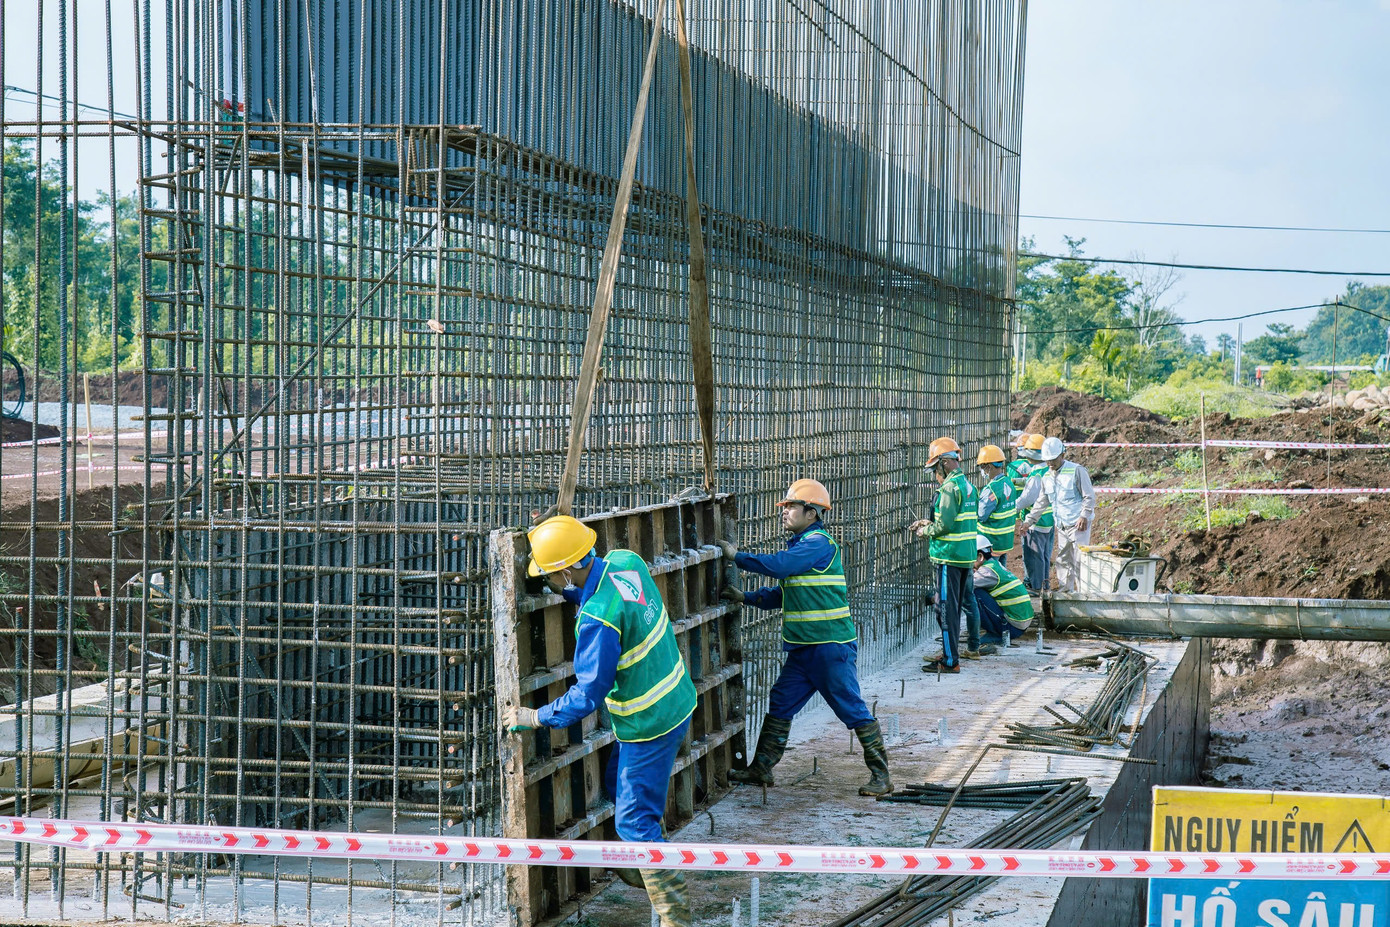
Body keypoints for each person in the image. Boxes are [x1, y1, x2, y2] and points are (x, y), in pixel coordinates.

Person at [504, 515, 696, 927]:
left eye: (550, 575)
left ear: (566, 570)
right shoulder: (627, 561)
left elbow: (588, 694)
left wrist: (535, 716)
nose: (549, 581)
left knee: (634, 821)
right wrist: (569, 588)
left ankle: (675, 916)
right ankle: (643, 861)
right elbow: (613, 595)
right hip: (676, 698)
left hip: (649, 723)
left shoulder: (597, 620)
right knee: (617, 785)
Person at [717, 479, 891, 797]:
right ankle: (761, 768)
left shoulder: (818, 543)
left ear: (812, 513)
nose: (784, 512)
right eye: (784, 507)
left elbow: (781, 567)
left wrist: (737, 557)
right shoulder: (800, 547)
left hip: (829, 648)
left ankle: (882, 776)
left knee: (851, 709)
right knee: (781, 701)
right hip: (804, 650)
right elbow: (785, 593)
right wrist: (746, 597)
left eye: (791, 507)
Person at [909, 437, 990, 674]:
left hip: (948, 557)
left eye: (935, 469)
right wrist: (931, 523)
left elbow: (944, 525)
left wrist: (925, 531)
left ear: (944, 463)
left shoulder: (948, 488)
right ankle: (950, 652)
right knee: (952, 608)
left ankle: (950, 661)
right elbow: (957, 521)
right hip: (965, 556)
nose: (935, 475)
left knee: (945, 610)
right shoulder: (969, 486)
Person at [1022, 437, 1098, 594]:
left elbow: (1089, 496)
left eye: (1053, 459)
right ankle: (1065, 593)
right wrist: (1029, 521)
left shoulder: (1077, 470)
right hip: (1062, 525)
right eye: (1048, 460)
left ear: (1062, 455)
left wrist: (1084, 515)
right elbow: (1041, 502)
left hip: (1078, 524)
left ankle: (1083, 594)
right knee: (1063, 559)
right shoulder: (1047, 477)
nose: (1050, 463)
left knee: (1080, 560)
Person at [971, 535, 1034, 645]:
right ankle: (996, 631)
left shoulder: (987, 572)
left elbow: (964, 586)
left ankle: (996, 634)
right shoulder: (995, 565)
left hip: (1012, 627)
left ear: (980, 556)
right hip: (1019, 624)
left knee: (974, 593)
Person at [1017, 434, 1054, 594]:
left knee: (1034, 556)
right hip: (1048, 520)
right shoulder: (1049, 470)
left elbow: (1027, 499)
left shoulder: (1036, 474)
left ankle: (1035, 587)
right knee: (1044, 556)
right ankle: (1044, 585)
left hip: (1036, 523)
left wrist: (1011, 508)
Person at [975, 444, 1018, 565]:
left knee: (989, 573)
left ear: (988, 466)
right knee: (1000, 572)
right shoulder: (1008, 483)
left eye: (982, 467)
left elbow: (981, 515)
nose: (982, 470)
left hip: (990, 542)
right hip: (1004, 542)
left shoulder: (991, 489)